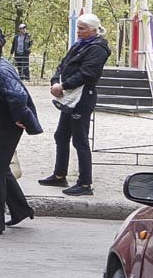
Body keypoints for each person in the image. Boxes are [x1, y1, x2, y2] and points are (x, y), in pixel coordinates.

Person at [0, 33, 42, 235]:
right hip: (1, 125)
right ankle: (20, 209)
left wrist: (18, 117)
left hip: (5, 126)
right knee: (1, 169)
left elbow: (17, 95)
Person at [38, 13, 111, 196]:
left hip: (83, 97)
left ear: (94, 30)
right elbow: (63, 64)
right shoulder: (80, 45)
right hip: (69, 96)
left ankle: (85, 183)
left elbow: (87, 74)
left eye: (82, 28)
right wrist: (55, 80)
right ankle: (59, 174)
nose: (78, 31)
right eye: (78, 27)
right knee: (61, 135)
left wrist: (63, 85)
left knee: (80, 139)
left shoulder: (97, 49)